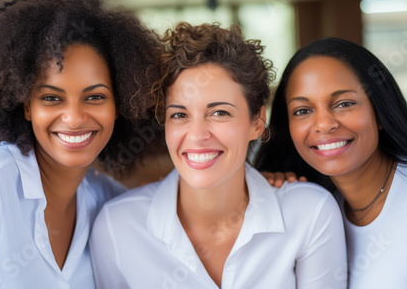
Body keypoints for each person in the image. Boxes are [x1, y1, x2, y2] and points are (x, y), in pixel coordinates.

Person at [0, 0, 163, 288]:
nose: (74, 118)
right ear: (26, 106)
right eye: (51, 98)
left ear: (120, 105)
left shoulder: (106, 198)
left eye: (95, 97)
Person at [91, 22, 347, 288]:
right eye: (179, 115)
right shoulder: (117, 226)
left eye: (219, 112)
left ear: (257, 121)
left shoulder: (310, 213)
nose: (197, 135)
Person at [255, 37, 407, 288]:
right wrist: (266, 192)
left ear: (379, 112)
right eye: (302, 110)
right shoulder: (315, 212)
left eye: (344, 104)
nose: (324, 124)